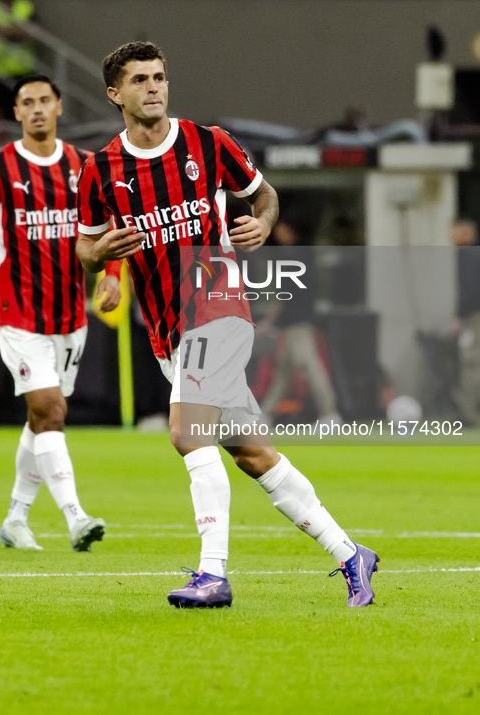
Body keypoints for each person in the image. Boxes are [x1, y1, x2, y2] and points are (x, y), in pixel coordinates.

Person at [75, 41, 380, 608]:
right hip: (167, 328)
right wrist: (101, 256)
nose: (154, 87)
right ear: (115, 93)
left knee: (187, 434)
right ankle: (349, 554)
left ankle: (212, 574)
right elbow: (86, 247)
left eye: (160, 77)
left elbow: (262, 195)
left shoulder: (207, 143)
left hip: (217, 304)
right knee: (252, 454)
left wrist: (262, 224)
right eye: (140, 79)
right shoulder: (100, 170)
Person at [0, 74, 122, 552]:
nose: (36, 109)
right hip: (18, 315)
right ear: (16, 113)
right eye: (26, 102)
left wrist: (112, 274)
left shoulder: (84, 165)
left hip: (70, 316)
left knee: (42, 419)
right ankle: (76, 518)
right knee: (51, 410)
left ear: (59, 107)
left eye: (44, 100)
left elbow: (110, 227)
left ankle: (16, 518)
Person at [257, 219, 342, 427]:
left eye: (280, 230)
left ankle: (330, 414)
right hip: (299, 320)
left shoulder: (290, 256)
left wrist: (268, 321)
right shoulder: (306, 255)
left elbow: (283, 296)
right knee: (284, 372)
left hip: (297, 323)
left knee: (310, 366)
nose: (277, 235)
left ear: (290, 230)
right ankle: (265, 414)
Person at [450, 219, 480, 425]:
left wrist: (461, 317)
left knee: (471, 363)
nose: (450, 237)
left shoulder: (470, 255)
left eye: (454, 232)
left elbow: (471, 290)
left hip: (475, 316)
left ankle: (467, 414)